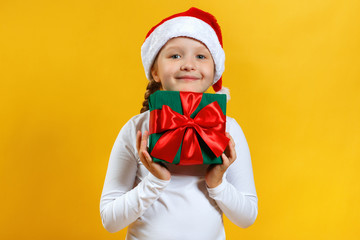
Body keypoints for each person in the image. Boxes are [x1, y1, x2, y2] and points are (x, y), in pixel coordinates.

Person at [100, 7, 258, 240]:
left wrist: (217, 184)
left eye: (201, 56)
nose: (188, 64)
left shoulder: (229, 129)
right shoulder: (135, 129)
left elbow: (247, 217)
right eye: (175, 55)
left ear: (214, 70)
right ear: (154, 71)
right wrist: (154, 182)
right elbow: (110, 221)